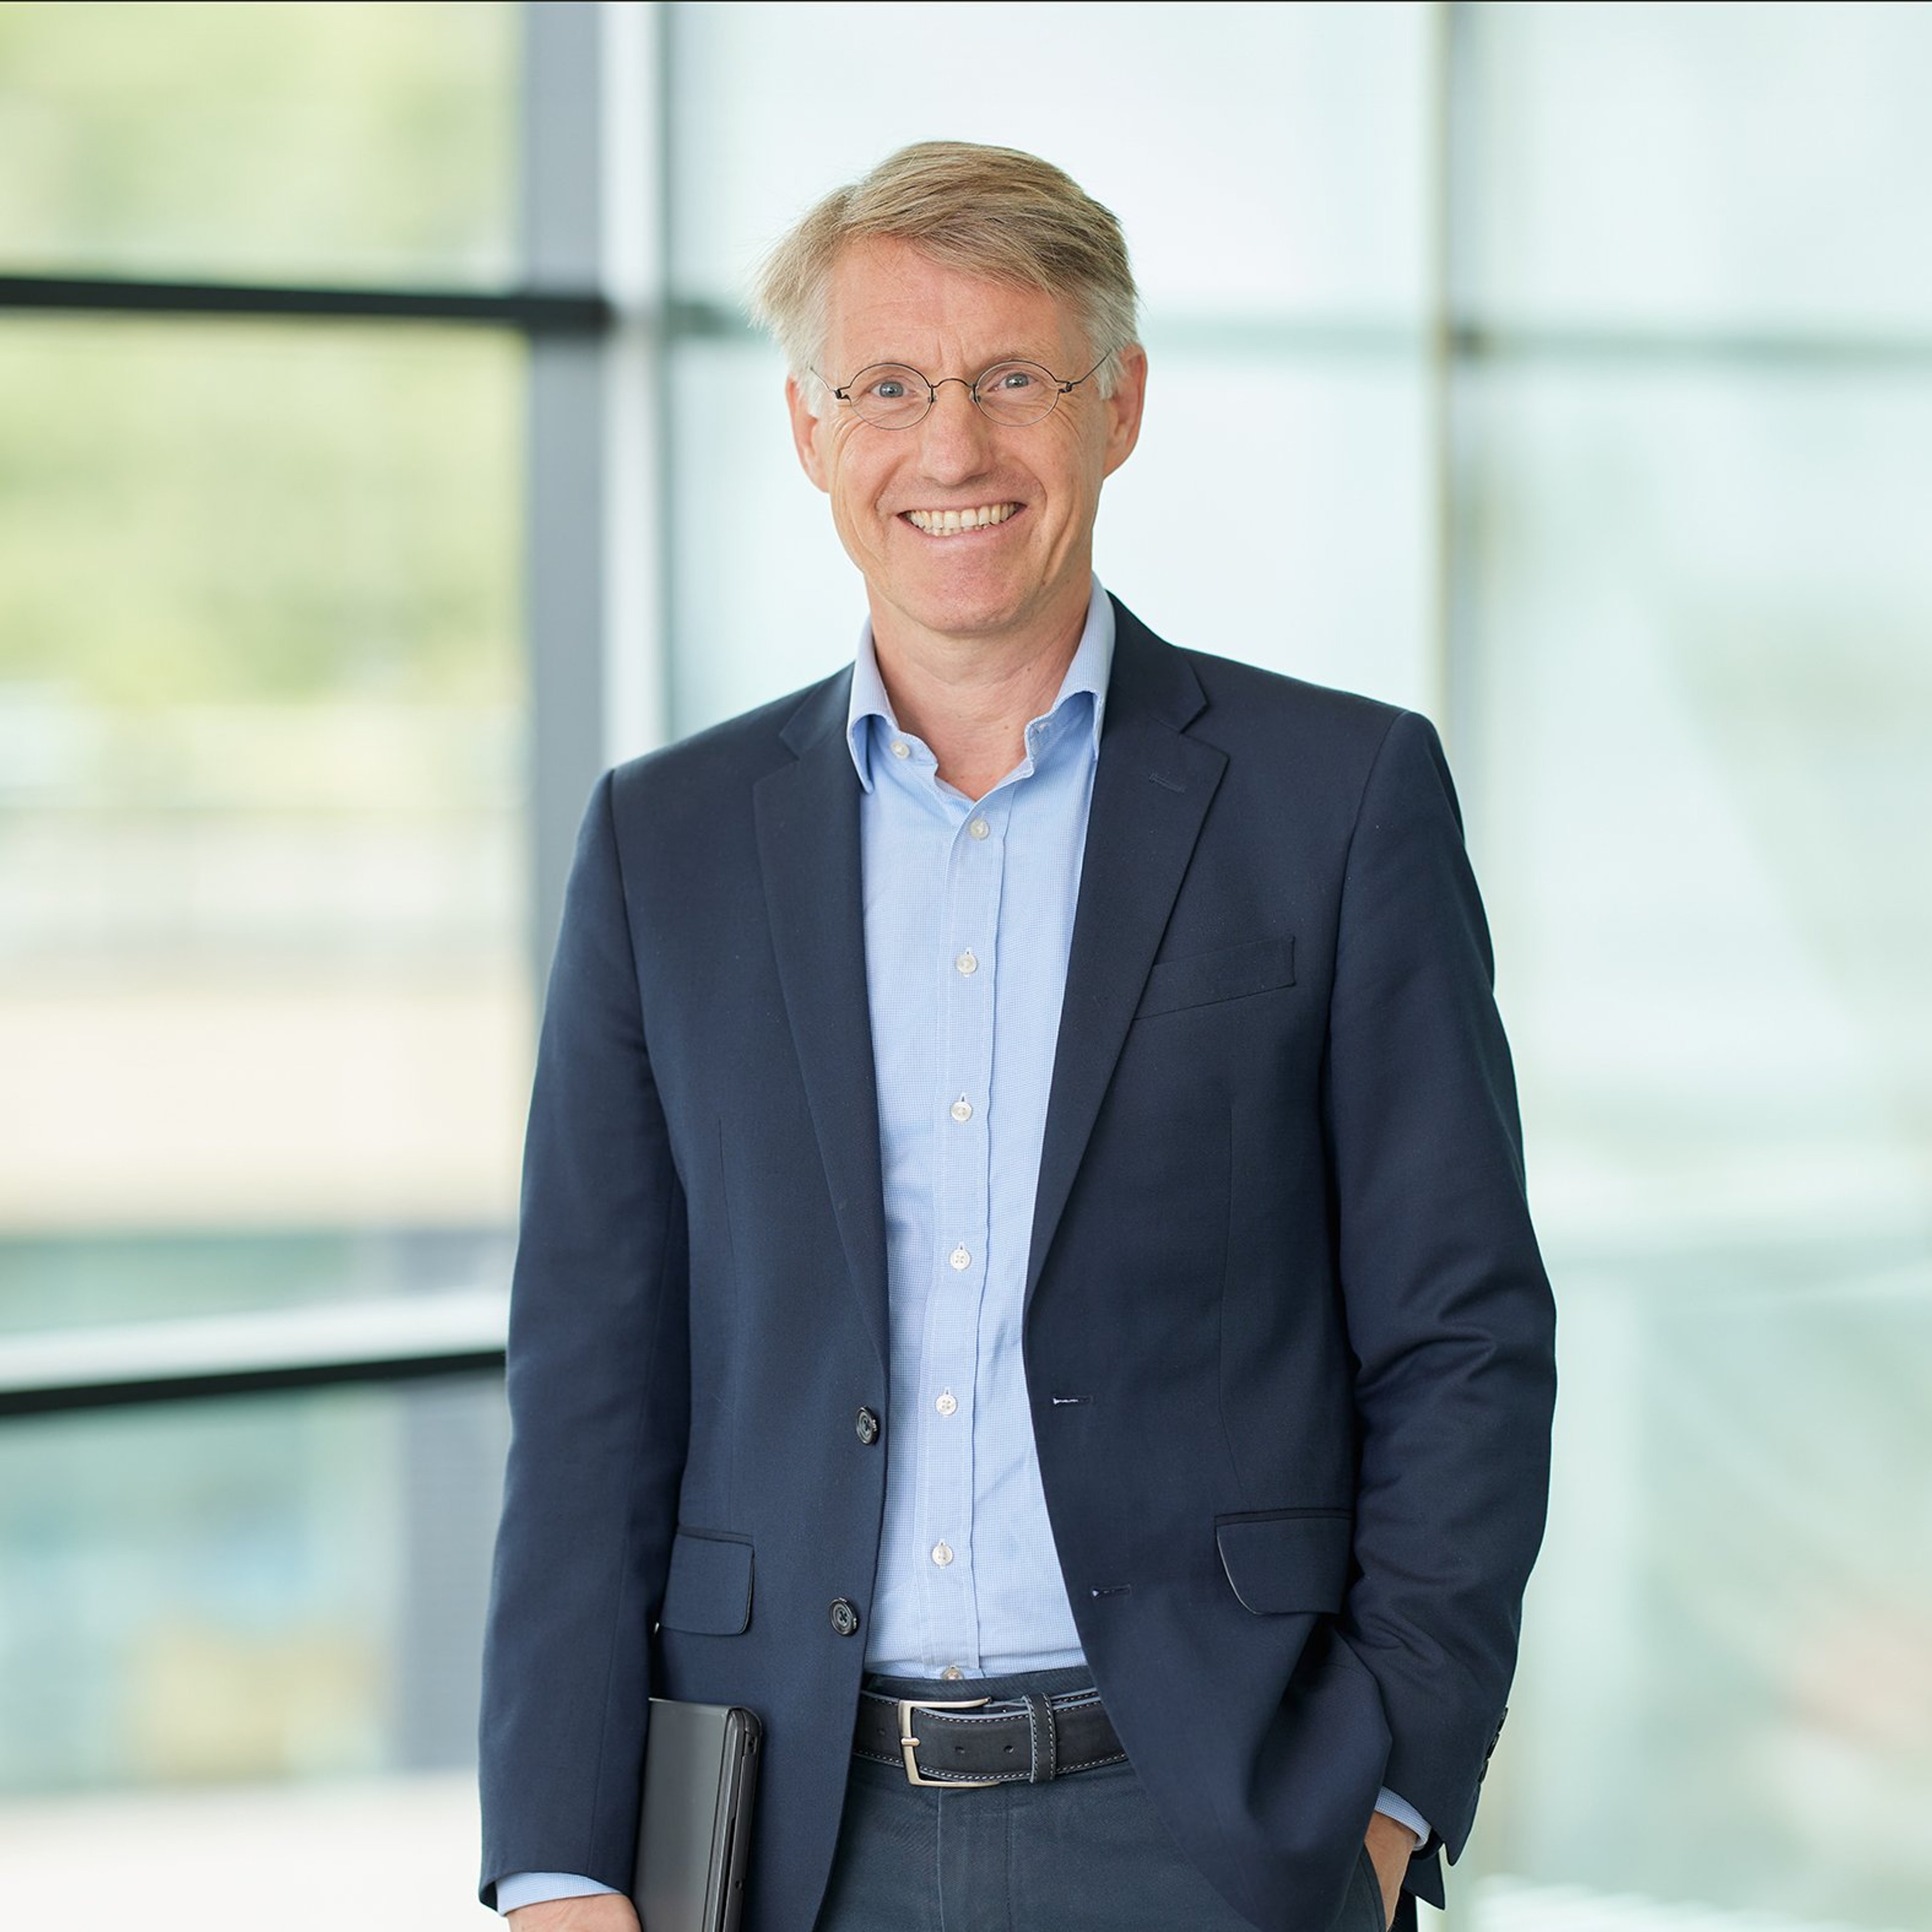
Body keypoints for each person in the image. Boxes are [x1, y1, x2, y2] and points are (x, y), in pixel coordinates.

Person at [477, 140, 1556, 1932]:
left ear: (1117, 407)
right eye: (889, 386)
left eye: (1012, 381)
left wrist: (1384, 1794)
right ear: (812, 430)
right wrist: (564, 1862)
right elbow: (591, 1382)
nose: (952, 448)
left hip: (1213, 1828)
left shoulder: (1338, 802)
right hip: (777, 1841)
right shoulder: (663, 845)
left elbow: (1462, 1336)